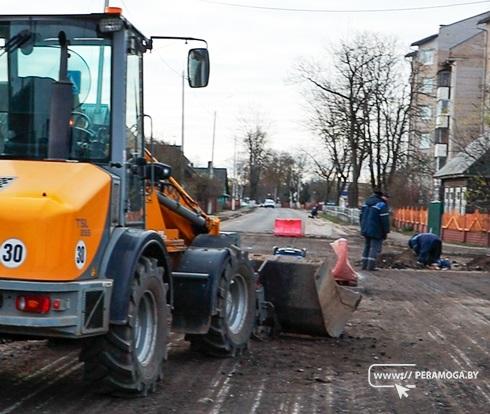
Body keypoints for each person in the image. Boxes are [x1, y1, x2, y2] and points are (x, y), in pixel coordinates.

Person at [359, 190, 390, 271]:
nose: (387, 199)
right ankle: (371, 266)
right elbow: (385, 220)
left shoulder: (366, 203)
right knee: (374, 248)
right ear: (382, 196)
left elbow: (361, 216)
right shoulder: (381, 204)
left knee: (367, 246)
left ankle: (364, 265)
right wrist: (386, 231)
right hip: (377, 230)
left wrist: (362, 227)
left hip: (365, 229)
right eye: (386, 197)